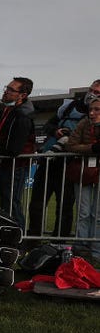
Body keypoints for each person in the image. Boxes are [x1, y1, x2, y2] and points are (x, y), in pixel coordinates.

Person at [28, 80, 99, 240]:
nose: (92, 94)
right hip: (49, 161)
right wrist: (56, 131)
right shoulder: (69, 106)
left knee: (65, 207)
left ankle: (59, 243)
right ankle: (32, 241)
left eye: (97, 93)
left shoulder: (94, 117)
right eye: (91, 90)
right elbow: (48, 125)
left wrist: (74, 142)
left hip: (71, 165)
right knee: (36, 204)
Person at [0, 77, 36, 230]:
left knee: (12, 203)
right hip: (8, 165)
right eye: (7, 87)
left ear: (22, 95)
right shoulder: (10, 110)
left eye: (12, 90)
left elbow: (13, 149)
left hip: (16, 166)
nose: (6, 91)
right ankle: (10, 239)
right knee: (7, 203)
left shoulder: (22, 115)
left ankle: (19, 240)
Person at [66, 98, 100, 261]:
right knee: (83, 212)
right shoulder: (84, 123)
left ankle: (96, 250)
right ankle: (80, 248)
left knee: (98, 214)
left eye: (97, 109)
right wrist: (91, 148)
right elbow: (71, 145)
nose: (92, 113)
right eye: (91, 109)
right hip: (83, 172)